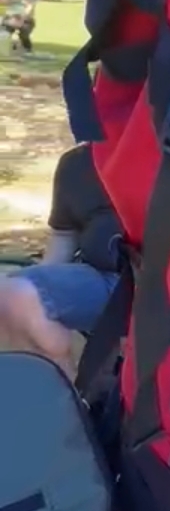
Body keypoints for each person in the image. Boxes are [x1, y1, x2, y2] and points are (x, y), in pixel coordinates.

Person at [0, 143, 121, 373]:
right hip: (101, 279)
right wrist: (37, 296)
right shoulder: (75, 163)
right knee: (12, 295)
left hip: (167, 282)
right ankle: (60, 386)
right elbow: (62, 240)